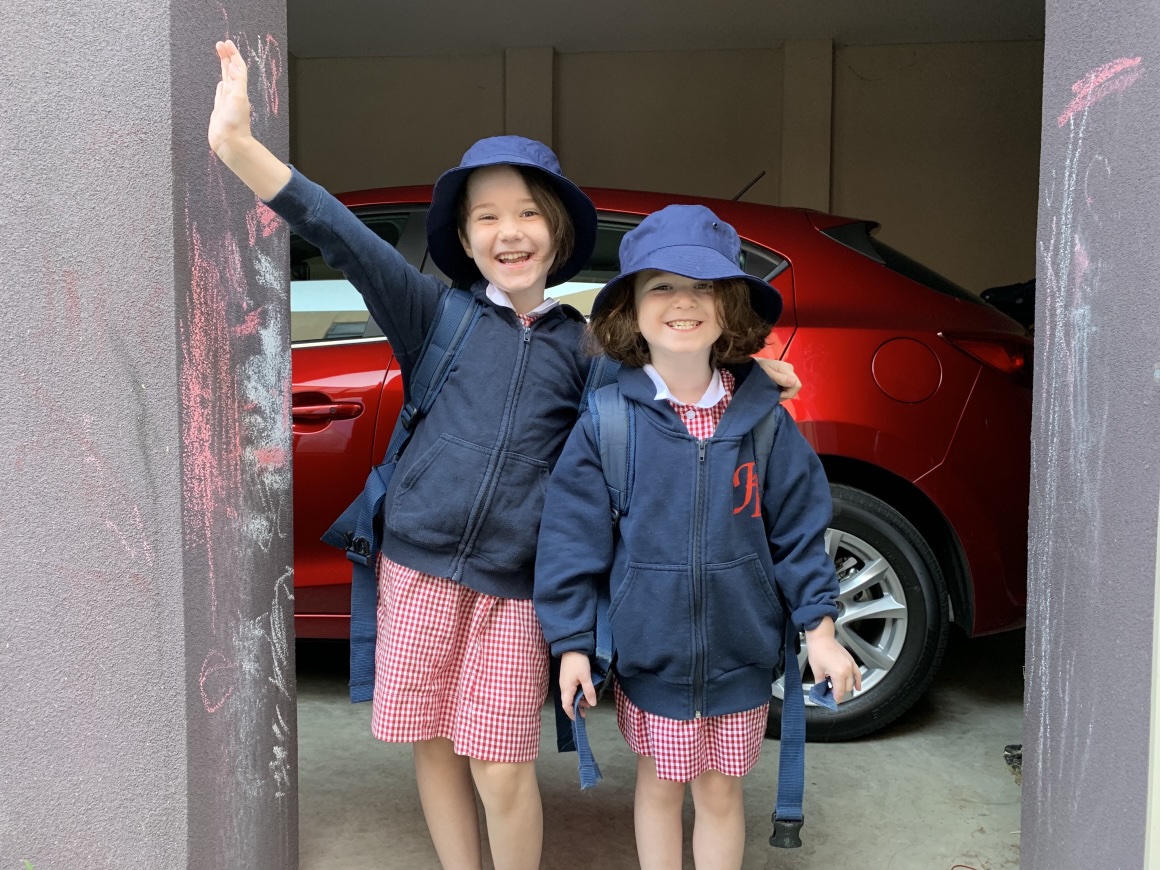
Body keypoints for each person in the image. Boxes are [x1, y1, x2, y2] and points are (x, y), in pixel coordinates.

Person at [209, 39, 801, 870]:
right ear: (464, 235)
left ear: (556, 234)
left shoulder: (587, 346)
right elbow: (341, 235)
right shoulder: (432, 315)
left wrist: (744, 369)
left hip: (516, 591)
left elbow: (669, 364)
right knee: (433, 743)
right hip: (416, 566)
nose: (508, 231)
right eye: (486, 215)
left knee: (501, 763)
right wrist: (239, 146)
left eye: (526, 212)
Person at [534, 205, 860, 870]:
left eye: (704, 286)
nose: (683, 302)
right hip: (651, 660)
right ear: (629, 308)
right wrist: (571, 646)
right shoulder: (607, 424)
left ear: (730, 306)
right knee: (658, 788)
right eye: (661, 286)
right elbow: (571, 541)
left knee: (719, 793)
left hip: (742, 659)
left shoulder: (765, 424)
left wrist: (821, 632)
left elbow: (798, 535)